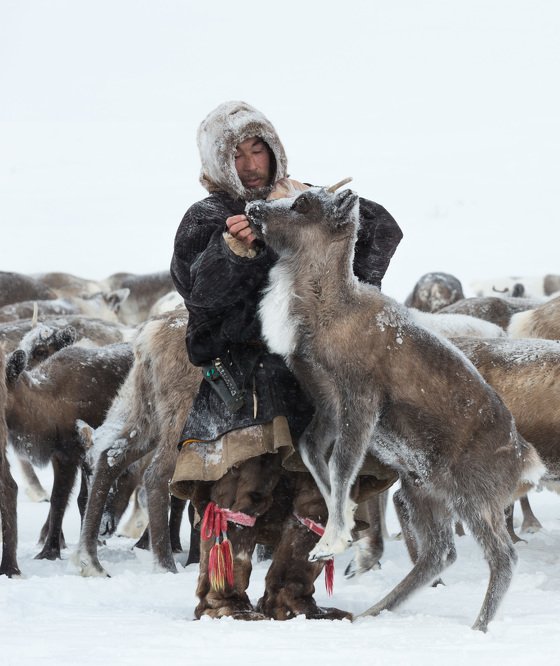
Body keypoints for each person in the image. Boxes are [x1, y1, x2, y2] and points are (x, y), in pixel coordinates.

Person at [169, 100, 402, 620]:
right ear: (218, 161)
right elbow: (198, 294)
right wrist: (233, 251)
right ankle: (221, 598)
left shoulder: (297, 202)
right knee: (240, 488)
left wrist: (317, 207)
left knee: (318, 492)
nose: (252, 165)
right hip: (244, 375)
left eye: (260, 150)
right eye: (238, 154)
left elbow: (381, 232)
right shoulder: (208, 217)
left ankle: (290, 596)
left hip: (311, 378)